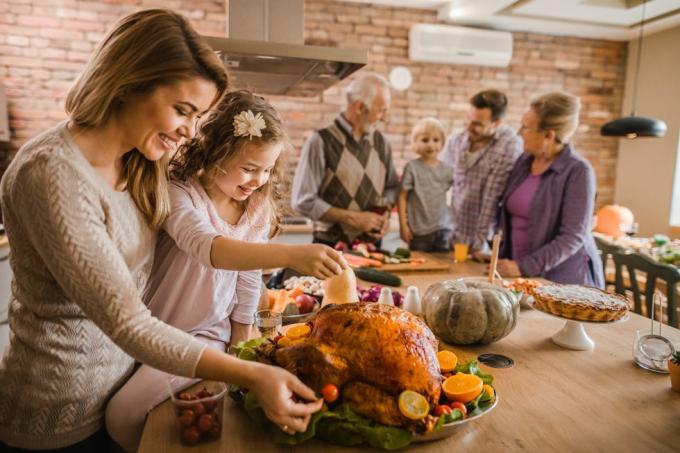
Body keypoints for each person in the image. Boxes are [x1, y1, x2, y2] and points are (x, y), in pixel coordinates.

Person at [0, 10, 328, 451]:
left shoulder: (141, 161)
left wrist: (241, 332)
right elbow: (128, 321)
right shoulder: (52, 175)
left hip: (120, 386)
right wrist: (251, 372)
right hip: (57, 419)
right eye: (182, 110)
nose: (190, 131)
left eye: (199, 116)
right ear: (129, 82)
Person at [106, 90, 341, 452]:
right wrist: (290, 254)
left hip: (205, 339)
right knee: (136, 417)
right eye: (249, 168)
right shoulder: (180, 195)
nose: (257, 180)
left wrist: (240, 343)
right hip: (155, 333)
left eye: (267, 170)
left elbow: (248, 279)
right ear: (217, 154)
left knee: (121, 415)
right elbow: (206, 248)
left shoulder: (256, 209)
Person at [496, 92, 604, 287]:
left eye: (526, 128)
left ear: (549, 135)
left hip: (562, 282)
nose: (519, 133)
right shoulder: (523, 162)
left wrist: (524, 266)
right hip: (520, 276)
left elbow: (572, 237)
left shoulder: (578, 171)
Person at [291, 72, 400, 247]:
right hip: (330, 250)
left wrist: (384, 215)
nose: (385, 118)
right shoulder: (320, 142)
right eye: (381, 110)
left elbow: (392, 187)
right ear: (359, 107)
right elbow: (303, 202)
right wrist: (352, 218)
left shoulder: (382, 143)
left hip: (372, 249)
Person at [440, 89, 522, 255]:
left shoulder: (509, 144)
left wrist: (480, 242)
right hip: (454, 233)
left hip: (486, 242)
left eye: (477, 124)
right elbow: (441, 183)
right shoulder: (456, 140)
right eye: (468, 120)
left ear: (497, 123)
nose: (469, 127)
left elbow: (492, 197)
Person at [397, 117, 453, 252]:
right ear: (416, 143)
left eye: (436, 140)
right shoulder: (412, 168)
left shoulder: (448, 170)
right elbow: (402, 197)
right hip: (418, 231)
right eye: (425, 140)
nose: (431, 145)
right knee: (420, 265)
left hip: (443, 228)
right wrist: (403, 225)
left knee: (444, 265)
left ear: (442, 143)